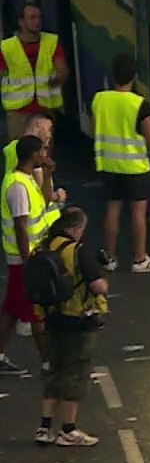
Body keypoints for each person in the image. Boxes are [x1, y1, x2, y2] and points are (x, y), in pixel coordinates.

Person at [33, 207, 107, 447]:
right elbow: (97, 286)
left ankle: (44, 428)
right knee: (75, 375)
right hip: (78, 320)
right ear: (75, 228)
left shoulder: (44, 247)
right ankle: (68, 429)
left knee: (54, 372)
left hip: (51, 319)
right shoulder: (77, 251)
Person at [91, 53, 150, 272]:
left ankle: (110, 258)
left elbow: (95, 128)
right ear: (134, 76)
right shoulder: (139, 104)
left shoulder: (99, 99)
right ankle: (140, 259)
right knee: (137, 213)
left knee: (112, 211)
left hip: (109, 166)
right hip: (135, 167)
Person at [0, 135, 57, 376]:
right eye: (42, 151)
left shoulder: (28, 180)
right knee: (37, 312)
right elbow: (20, 226)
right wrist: (29, 261)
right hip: (25, 259)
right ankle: (48, 362)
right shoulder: (17, 187)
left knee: (12, 310)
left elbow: (44, 202)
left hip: (28, 257)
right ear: (32, 155)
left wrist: (49, 175)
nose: (45, 154)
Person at [0, 2, 67, 139]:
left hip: (44, 110)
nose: (37, 21)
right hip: (18, 112)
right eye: (32, 18)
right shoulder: (7, 47)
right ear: (21, 22)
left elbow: (63, 70)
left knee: (43, 156)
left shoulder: (51, 42)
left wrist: (58, 77)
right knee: (18, 154)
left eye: (39, 18)